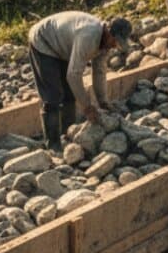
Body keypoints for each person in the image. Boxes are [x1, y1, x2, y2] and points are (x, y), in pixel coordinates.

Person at [27, 12, 132, 151]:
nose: (114, 46)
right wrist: (87, 107)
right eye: (114, 41)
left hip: (63, 44)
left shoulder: (106, 44)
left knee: (69, 94)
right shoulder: (88, 36)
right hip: (43, 40)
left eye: (118, 44)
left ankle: (67, 135)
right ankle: (53, 145)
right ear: (108, 31)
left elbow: (99, 72)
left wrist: (103, 102)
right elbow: (73, 75)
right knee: (52, 96)